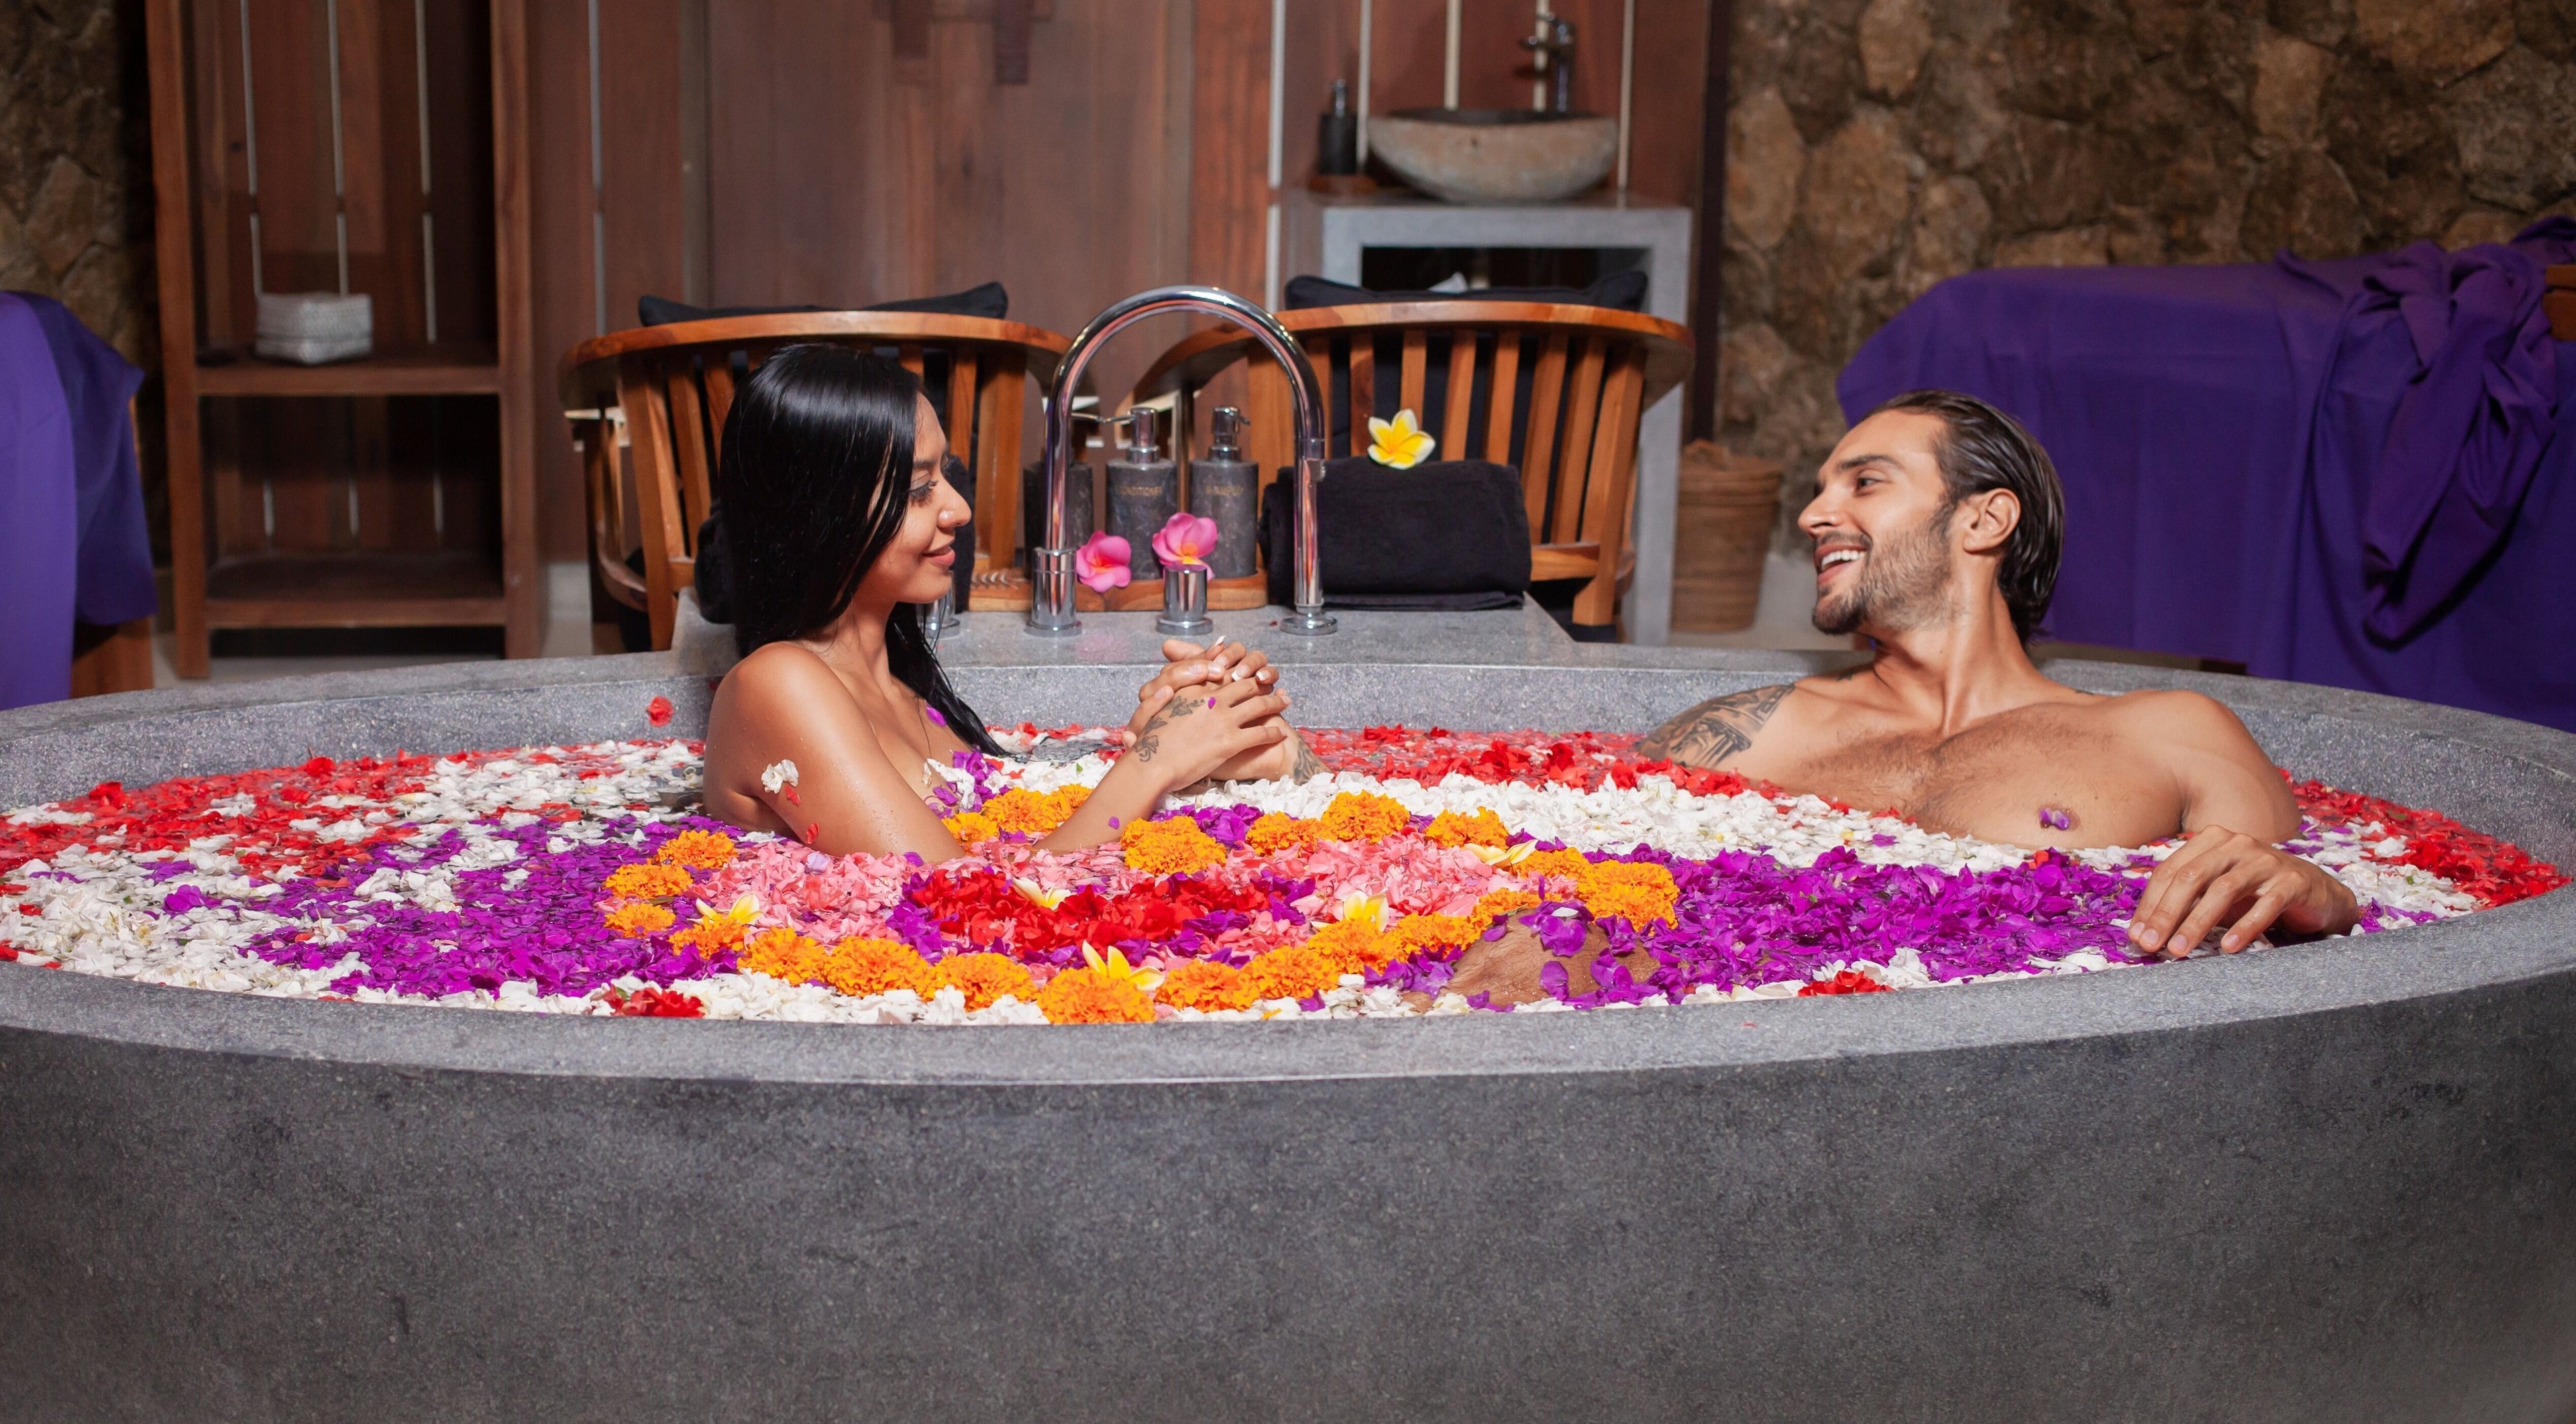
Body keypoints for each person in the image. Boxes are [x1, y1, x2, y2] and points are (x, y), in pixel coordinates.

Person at [1638, 390, 2357, 960]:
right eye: (1824, 489)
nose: (1813, 514)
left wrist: (2324, 897)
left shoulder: (2171, 733)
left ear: (1984, 520)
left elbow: (2310, 920)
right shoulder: (1742, 734)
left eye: (1865, 482)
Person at [700, 343, 1321, 859]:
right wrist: (1154, 763)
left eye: (945, 474)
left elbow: (1013, 845)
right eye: (920, 490)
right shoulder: (777, 684)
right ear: (821, 518)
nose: (959, 509)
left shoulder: (902, 686)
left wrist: (1220, 738)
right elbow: (956, 903)